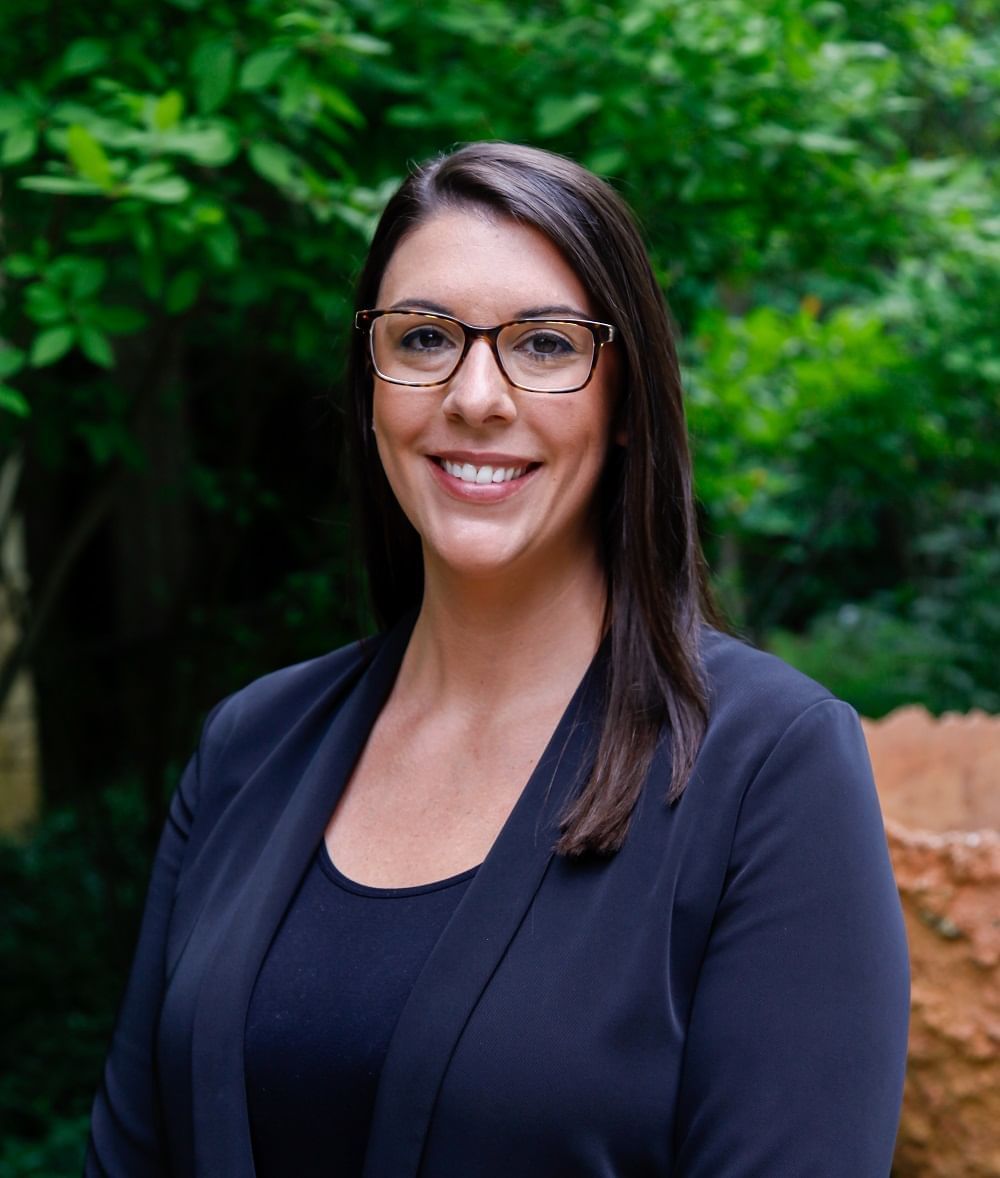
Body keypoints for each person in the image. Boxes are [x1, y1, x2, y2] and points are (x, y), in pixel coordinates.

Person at [86, 141, 910, 1177]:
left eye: (546, 344)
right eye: (424, 336)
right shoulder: (250, 747)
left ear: (623, 403)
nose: (476, 394)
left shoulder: (768, 765)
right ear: (370, 384)